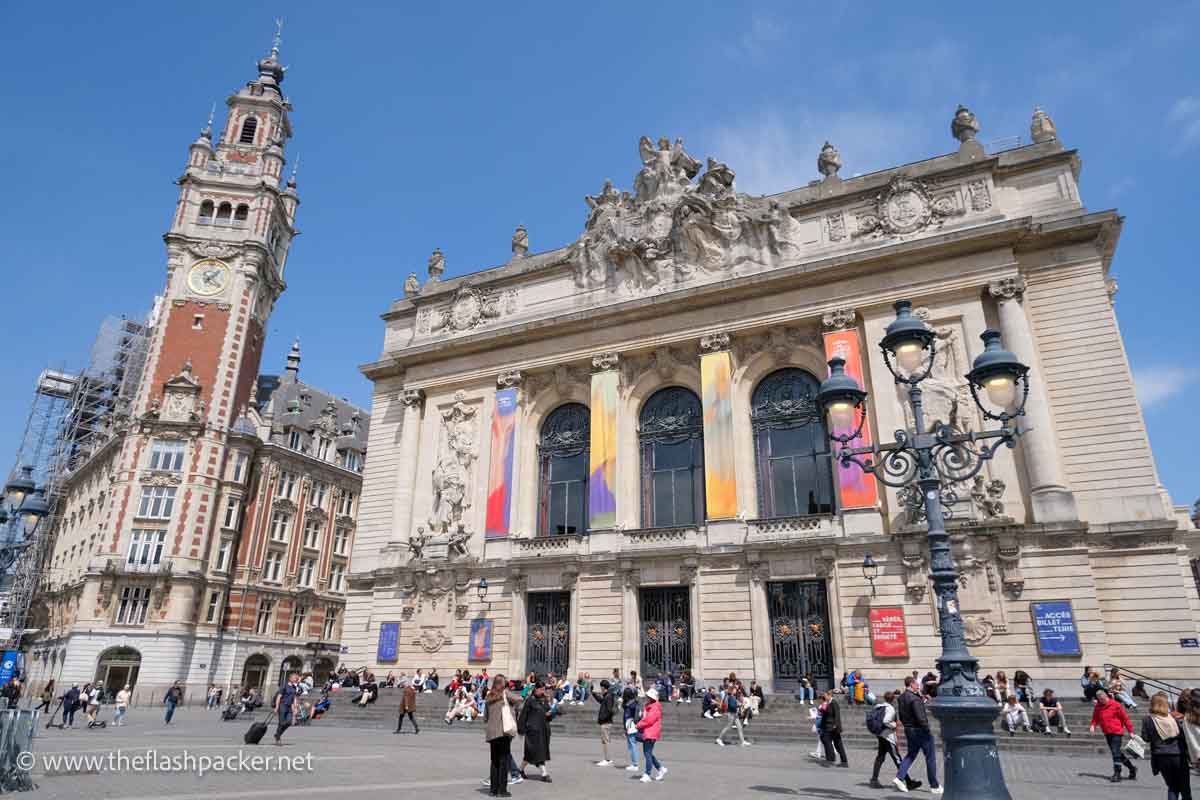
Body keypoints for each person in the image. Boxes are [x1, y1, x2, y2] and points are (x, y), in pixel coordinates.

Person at [894, 676, 939, 794]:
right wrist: (926, 728)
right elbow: (920, 716)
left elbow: (902, 716)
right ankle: (934, 785)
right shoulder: (914, 698)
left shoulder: (902, 697)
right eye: (916, 684)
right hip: (920, 730)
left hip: (909, 729)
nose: (918, 686)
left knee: (910, 755)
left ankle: (899, 777)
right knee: (930, 757)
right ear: (911, 684)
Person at [1142, 691, 1190, 798]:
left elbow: (1145, 738)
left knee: (1172, 787)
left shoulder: (1147, 719)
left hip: (1160, 756)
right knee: (1185, 787)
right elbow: (1182, 736)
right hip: (1178, 755)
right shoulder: (1173, 718)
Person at [484, 674, 522, 798]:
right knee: (504, 761)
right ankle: (502, 790)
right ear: (503, 683)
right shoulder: (505, 693)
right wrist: (513, 707)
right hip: (503, 732)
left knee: (494, 761)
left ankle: (493, 790)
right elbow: (519, 699)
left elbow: (485, 717)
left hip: (491, 733)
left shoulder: (489, 695)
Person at [1090, 688, 1137, 782]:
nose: (1101, 701)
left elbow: (1125, 719)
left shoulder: (1116, 705)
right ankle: (1132, 768)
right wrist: (1093, 726)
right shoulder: (1098, 706)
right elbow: (1095, 718)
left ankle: (1117, 773)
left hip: (1117, 732)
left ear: (1106, 696)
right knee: (1117, 753)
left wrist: (1131, 731)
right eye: (1099, 700)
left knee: (1115, 752)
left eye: (1102, 699)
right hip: (1107, 732)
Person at [518, 682, 553, 782]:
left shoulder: (544, 700)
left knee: (531, 754)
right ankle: (544, 774)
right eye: (541, 689)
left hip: (543, 730)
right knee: (538, 752)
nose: (543, 691)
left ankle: (520, 770)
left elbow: (548, 715)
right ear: (536, 689)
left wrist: (551, 713)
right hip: (532, 731)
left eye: (544, 689)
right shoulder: (530, 700)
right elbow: (523, 715)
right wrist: (521, 729)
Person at [869, 691, 902, 789]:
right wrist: (894, 725)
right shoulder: (890, 708)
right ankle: (905, 780)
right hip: (888, 736)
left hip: (880, 735)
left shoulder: (879, 706)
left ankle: (874, 779)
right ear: (893, 699)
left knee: (880, 757)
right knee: (897, 758)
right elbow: (885, 721)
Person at [636, 687, 666, 783]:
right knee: (648, 753)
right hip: (648, 732)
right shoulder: (650, 706)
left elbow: (649, 720)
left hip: (650, 732)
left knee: (647, 753)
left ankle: (647, 774)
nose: (646, 698)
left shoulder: (654, 707)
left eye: (647, 696)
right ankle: (660, 768)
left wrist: (638, 725)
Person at [816, 690, 847, 766]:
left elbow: (837, 715)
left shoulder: (834, 703)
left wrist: (836, 725)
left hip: (832, 727)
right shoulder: (828, 703)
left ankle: (832, 760)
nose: (824, 697)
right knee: (836, 744)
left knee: (830, 743)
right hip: (827, 726)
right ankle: (843, 761)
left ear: (829, 695)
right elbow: (825, 713)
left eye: (825, 695)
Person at [716, 683, 749, 747]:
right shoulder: (730, 697)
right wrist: (738, 705)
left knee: (739, 727)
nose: (736, 690)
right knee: (728, 727)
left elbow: (734, 704)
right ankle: (719, 739)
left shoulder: (733, 696)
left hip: (734, 714)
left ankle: (742, 741)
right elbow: (731, 706)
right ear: (732, 690)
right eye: (735, 689)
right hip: (731, 714)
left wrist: (738, 704)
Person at [591, 679, 616, 766]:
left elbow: (609, 710)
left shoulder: (608, 697)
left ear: (603, 687)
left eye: (601, 687)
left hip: (606, 722)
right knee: (606, 740)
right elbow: (601, 701)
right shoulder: (607, 696)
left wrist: (602, 718)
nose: (600, 689)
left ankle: (607, 759)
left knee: (605, 741)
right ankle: (608, 758)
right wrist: (593, 694)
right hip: (606, 722)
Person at [274, 672, 301, 746]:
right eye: (295, 678)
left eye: (297, 678)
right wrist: (276, 707)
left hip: (289, 707)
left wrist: (295, 708)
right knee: (281, 723)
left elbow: (294, 698)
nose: (297, 679)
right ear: (290, 678)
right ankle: (278, 738)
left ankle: (277, 734)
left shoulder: (294, 687)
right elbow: (279, 697)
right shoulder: (284, 686)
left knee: (289, 722)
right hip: (282, 705)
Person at [622, 686, 642, 773]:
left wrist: (627, 728)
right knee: (632, 744)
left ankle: (635, 764)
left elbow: (628, 716)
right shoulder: (634, 703)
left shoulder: (630, 705)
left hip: (630, 724)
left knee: (632, 744)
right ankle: (634, 763)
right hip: (632, 724)